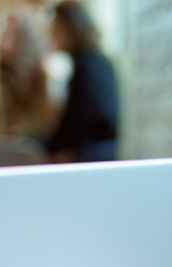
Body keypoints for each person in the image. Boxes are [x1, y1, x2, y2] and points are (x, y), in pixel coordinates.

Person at [46, 0, 118, 163]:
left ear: (69, 27)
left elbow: (76, 125)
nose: (50, 34)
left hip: (91, 161)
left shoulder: (88, 66)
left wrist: (42, 145)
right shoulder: (93, 62)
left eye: (54, 27)